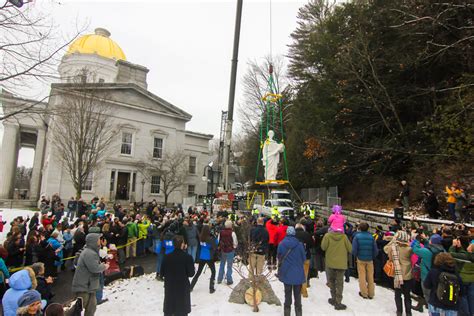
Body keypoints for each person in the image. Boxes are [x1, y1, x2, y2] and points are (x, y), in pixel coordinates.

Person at [71, 233, 108, 316]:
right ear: (93, 241)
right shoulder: (89, 253)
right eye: (98, 239)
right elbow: (94, 268)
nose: (100, 240)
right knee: (78, 309)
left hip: (90, 286)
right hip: (84, 286)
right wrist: (104, 266)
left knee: (92, 307)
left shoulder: (92, 251)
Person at [160, 235, 195, 316]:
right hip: (182, 287)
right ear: (182, 244)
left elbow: (162, 273)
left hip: (170, 286)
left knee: (170, 309)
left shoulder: (166, 257)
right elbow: (191, 273)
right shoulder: (187, 257)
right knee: (182, 310)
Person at [321, 222, 352, 310]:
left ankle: (333, 298)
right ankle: (338, 301)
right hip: (341, 263)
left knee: (331, 281)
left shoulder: (327, 236)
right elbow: (350, 248)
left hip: (330, 262)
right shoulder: (344, 237)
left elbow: (323, 247)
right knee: (340, 283)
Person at [277, 226, 305, 316]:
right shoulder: (300, 244)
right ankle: (298, 313)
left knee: (287, 294)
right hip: (298, 273)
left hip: (286, 272)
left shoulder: (281, 244)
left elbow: (279, 257)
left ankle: (287, 313)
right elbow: (303, 258)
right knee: (297, 296)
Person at [412, 233, 446, 306]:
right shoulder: (443, 251)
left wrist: (417, 240)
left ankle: (430, 308)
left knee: (427, 295)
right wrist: (426, 240)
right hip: (438, 276)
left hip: (426, 276)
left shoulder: (426, 252)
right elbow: (430, 245)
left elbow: (415, 249)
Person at [385, 230, 413, 316]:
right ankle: (408, 312)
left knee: (398, 294)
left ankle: (399, 311)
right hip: (407, 274)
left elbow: (385, 249)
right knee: (407, 295)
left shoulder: (393, 248)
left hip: (397, 274)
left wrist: (393, 240)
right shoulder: (410, 249)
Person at [352, 222, 378, 299]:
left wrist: (356, 256)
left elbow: (354, 249)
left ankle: (364, 293)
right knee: (370, 276)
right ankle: (371, 293)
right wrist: (372, 256)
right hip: (370, 259)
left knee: (362, 276)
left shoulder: (357, 237)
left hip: (360, 258)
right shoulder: (371, 237)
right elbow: (375, 250)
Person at [449, 238, 474, 316]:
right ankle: (471, 312)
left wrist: (453, 245)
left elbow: (451, 254)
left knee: (463, 296)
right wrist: (460, 247)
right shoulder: (468, 255)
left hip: (463, 279)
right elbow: (464, 254)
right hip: (472, 280)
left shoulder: (466, 256)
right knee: (471, 297)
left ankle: (465, 313)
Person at [190, 225, 217, 293]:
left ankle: (191, 286)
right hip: (209, 257)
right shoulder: (210, 239)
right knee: (213, 272)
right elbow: (215, 245)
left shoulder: (201, 238)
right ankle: (211, 288)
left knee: (198, 272)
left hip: (202, 256)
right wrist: (214, 237)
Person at [295, 222, 313, 298]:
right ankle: (304, 291)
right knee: (305, 275)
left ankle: (297, 289)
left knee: (296, 273)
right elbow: (312, 245)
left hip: (296, 257)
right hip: (306, 256)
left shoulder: (293, 235)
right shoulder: (307, 234)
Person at [217, 220, 238, 285]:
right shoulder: (232, 233)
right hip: (230, 250)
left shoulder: (221, 232)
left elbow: (218, 241)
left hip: (223, 250)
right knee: (229, 266)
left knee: (222, 264)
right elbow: (235, 242)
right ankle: (229, 280)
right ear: (231, 225)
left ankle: (219, 279)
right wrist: (234, 247)